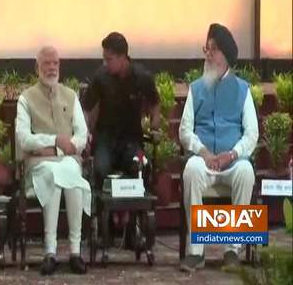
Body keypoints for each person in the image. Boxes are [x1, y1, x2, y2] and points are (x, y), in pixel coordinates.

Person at [179, 23, 259, 272]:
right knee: (191, 168)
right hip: (204, 161)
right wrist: (202, 152)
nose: (208, 55)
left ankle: (232, 250)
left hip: (232, 163)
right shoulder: (196, 88)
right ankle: (196, 252)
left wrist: (232, 154)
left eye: (213, 50)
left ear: (225, 55)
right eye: (207, 49)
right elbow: (184, 131)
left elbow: (252, 133)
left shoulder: (242, 90)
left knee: (246, 172)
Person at [15, 46, 91, 275]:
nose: (51, 68)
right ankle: (50, 252)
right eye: (47, 63)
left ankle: (75, 252)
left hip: (65, 160)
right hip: (38, 166)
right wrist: (55, 140)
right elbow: (23, 139)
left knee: (70, 172)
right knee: (53, 175)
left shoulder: (70, 95)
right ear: (37, 66)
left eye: (55, 63)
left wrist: (55, 150)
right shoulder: (26, 98)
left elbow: (81, 135)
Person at [83, 32, 161, 188]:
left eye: (109, 59)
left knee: (141, 164)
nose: (105, 63)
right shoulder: (100, 77)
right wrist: (85, 133)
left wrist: (155, 126)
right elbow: (86, 108)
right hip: (105, 139)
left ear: (123, 57)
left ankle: (133, 210)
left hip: (132, 140)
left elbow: (155, 103)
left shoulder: (142, 77)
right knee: (100, 169)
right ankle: (102, 210)